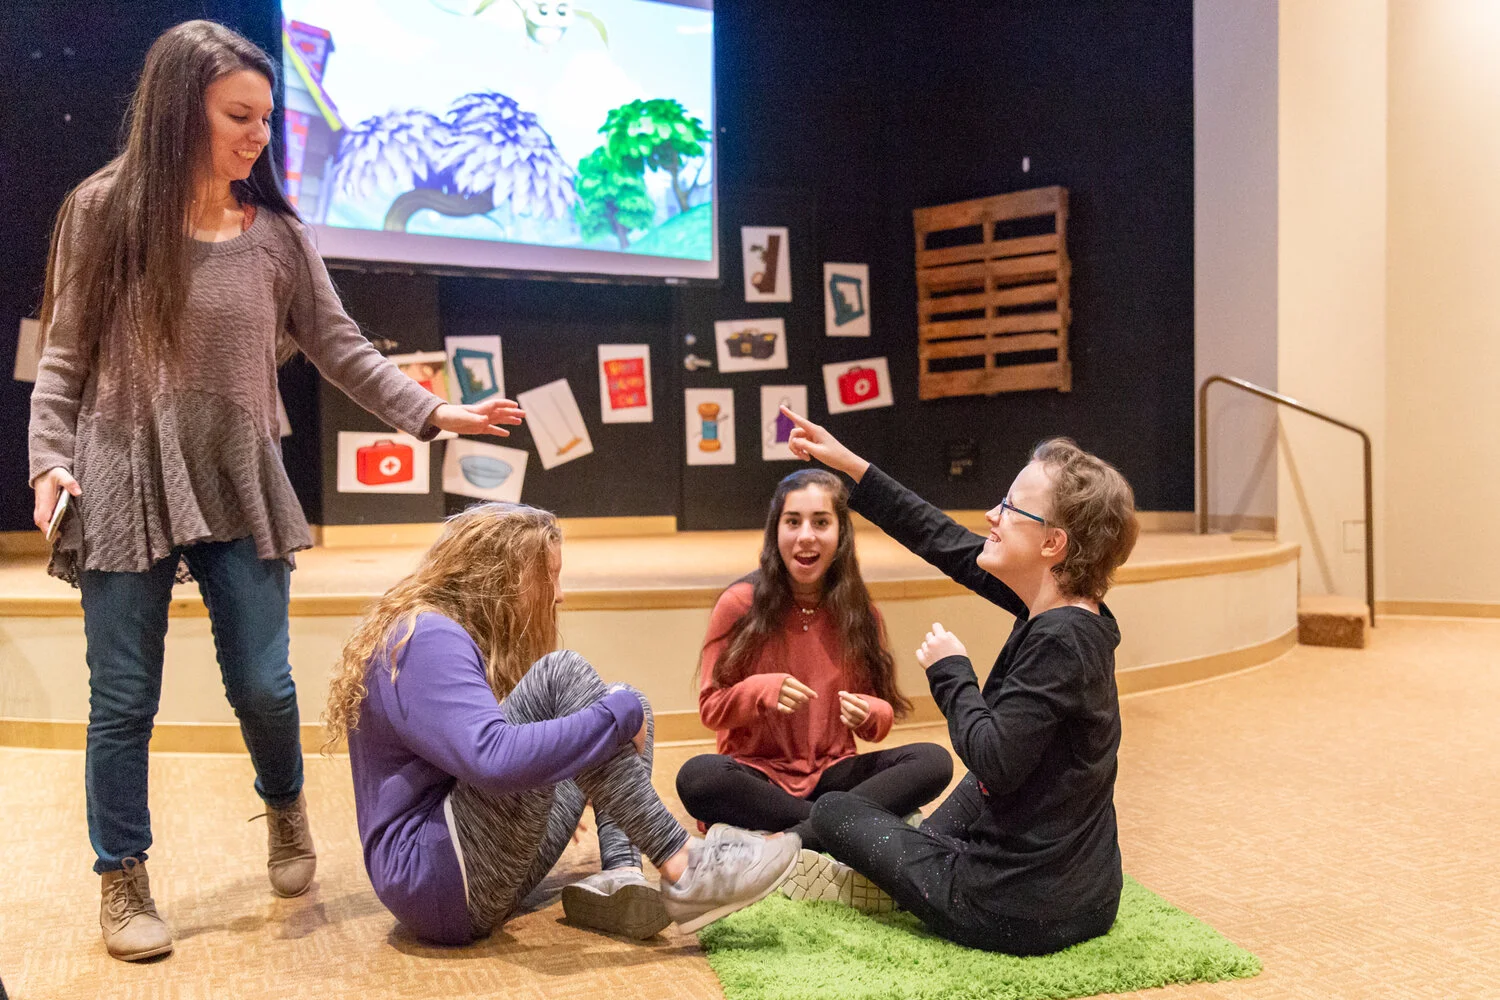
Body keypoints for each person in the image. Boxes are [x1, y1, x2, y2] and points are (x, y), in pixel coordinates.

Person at [26, 21, 525, 962]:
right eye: (239, 116)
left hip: (239, 472)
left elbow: (340, 346)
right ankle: (122, 877)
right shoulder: (100, 211)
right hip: (122, 470)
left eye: (265, 116)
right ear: (181, 111)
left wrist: (432, 412)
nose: (259, 135)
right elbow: (64, 355)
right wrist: (49, 457)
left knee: (263, 683)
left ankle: (284, 802)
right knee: (123, 698)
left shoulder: (278, 236)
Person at [324, 502, 802, 946]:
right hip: (434, 878)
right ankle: (684, 864)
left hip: (463, 870)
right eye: (549, 577)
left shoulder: (447, 633)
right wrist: (619, 717)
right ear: (505, 576)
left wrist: (600, 732)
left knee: (624, 700)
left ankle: (622, 874)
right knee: (569, 677)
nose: (559, 594)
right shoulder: (425, 637)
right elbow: (491, 758)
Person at [780, 407, 1139, 956]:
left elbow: (993, 758)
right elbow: (942, 539)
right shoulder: (1071, 610)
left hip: (1010, 909)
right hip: (1088, 896)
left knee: (834, 811)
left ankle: (866, 871)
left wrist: (951, 672)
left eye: (1011, 508)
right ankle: (912, 861)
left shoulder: (1060, 640)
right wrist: (850, 465)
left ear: (1053, 544)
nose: (993, 514)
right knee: (967, 797)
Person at [676, 469, 951, 871]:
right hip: (759, 779)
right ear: (776, 531)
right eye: (793, 522)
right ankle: (836, 827)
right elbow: (711, 709)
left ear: (841, 534)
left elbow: (878, 719)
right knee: (698, 777)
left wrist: (871, 712)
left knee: (934, 761)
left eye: (821, 522)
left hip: (832, 774)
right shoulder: (739, 603)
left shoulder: (860, 613)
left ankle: (793, 838)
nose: (806, 536)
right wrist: (760, 690)